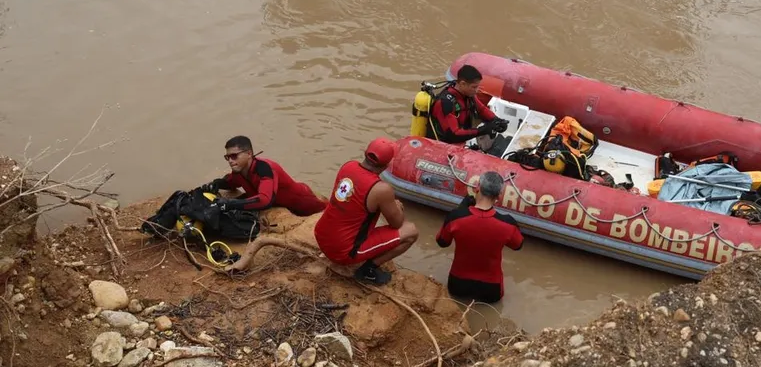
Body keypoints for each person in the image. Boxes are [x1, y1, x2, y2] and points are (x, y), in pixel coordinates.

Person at [314, 138, 419, 285]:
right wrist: (397, 207)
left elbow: (357, 197)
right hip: (343, 251)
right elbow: (397, 223)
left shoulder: (348, 166)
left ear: (365, 153)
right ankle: (368, 270)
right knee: (411, 231)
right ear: (387, 165)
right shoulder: (381, 189)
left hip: (321, 235)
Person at [435, 172, 524, 303]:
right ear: (499, 195)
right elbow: (518, 246)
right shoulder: (508, 224)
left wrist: (460, 210)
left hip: (458, 284)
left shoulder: (456, 217)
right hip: (491, 289)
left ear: (477, 188)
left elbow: (442, 242)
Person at [208, 136, 328, 216]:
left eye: (234, 156)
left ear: (249, 154)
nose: (230, 160)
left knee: (326, 211)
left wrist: (230, 204)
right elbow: (230, 182)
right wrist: (214, 184)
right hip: (281, 205)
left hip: (304, 202)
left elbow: (265, 200)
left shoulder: (265, 168)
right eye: (227, 157)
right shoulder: (238, 171)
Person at [426, 65, 508, 145]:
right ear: (462, 84)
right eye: (474, 87)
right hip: (445, 144)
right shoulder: (445, 103)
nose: (476, 90)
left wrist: (496, 120)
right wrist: (481, 130)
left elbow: (481, 109)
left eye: (478, 86)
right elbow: (454, 134)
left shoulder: (468, 94)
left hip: (462, 136)